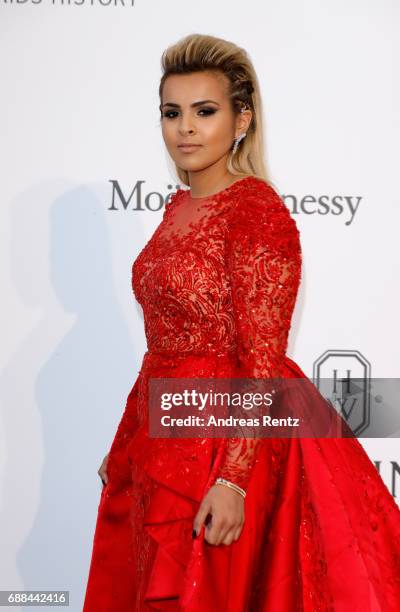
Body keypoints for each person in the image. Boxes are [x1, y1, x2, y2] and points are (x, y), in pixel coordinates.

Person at [83, 33, 400, 611]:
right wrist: (126, 436)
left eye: (205, 112)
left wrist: (233, 478)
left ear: (242, 119)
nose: (186, 128)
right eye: (172, 113)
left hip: (230, 437)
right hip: (167, 435)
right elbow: (160, 347)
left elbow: (261, 360)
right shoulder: (177, 210)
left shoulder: (257, 209)